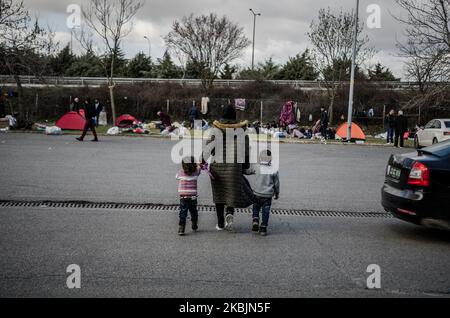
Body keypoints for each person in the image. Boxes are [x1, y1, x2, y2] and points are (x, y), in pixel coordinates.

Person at [206, 104, 254, 232]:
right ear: (234, 116)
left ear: (222, 115)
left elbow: (209, 149)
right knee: (231, 193)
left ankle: (220, 223)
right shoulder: (242, 131)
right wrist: (245, 166)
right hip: (234, 167)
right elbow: (246, 152)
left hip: (217, 167)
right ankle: (230, 213)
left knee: (219, 194)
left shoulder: (215, 129)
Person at [249, 150, 280, 236]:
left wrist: (241, 171)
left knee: (255, 207)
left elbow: (248, 171)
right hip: (267, 195)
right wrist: (277, 193)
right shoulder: (274, 169)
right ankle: (263, 228)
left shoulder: (256, 166)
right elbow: (277, 183)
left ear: (260, 158)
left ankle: (255, 220)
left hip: (256, 193)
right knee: (266, 211)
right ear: (271, 159)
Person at [176, 157, 201, 236]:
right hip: (193, 197)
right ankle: (194, 225)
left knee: (183, 212)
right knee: (193, 211)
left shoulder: (180, 173)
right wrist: (197, 165)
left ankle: (181, 228)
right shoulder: (196, 172)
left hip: (183, 197)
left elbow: (176, 177)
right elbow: (199, 168)